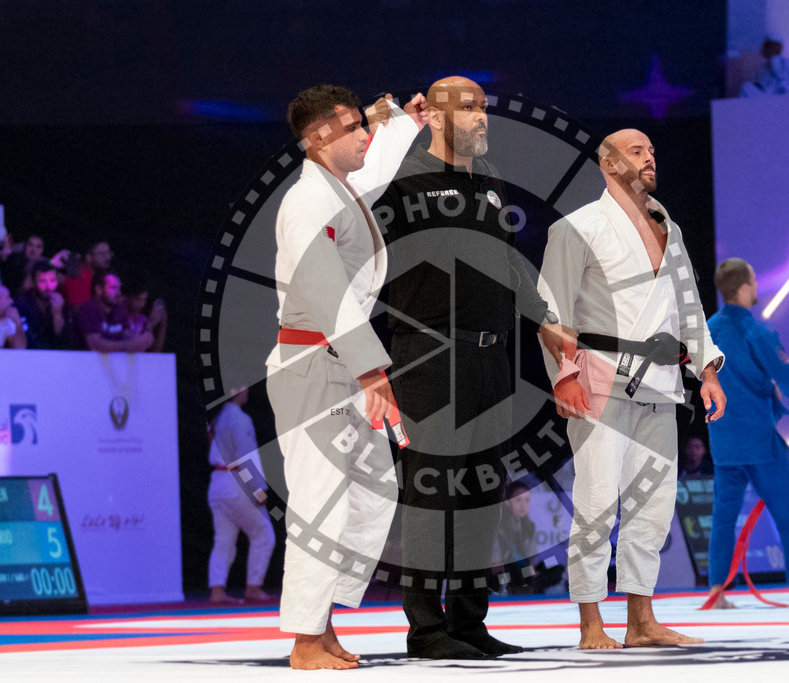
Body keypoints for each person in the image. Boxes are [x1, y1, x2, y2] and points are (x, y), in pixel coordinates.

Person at [373, 76, 568, 660]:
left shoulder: (489, 180)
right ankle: (427, 629)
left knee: (483, 493)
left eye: (484, 107)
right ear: (434, 116)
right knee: (433, 494)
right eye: (468, 107)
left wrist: (543, 318)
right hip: (428, 354)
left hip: (491, 355)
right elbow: (357, 256)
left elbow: (509, 260)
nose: (482, 116)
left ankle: (469, 622)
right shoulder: (400, 180)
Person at [538, 128, 726, 648]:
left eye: (652, 151)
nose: (649, 158)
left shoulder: (668, 227)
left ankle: (641, 620)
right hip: (599, 377)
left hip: (660, 382)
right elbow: (550, 309)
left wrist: (707, 371)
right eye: (636, 152)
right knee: (597, 501)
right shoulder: (577, 227)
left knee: (653, 505)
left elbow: (688, 306)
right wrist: (564, 375)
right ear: (608, 164)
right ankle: (590, 623)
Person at [265, 84, 428, 670]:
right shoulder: (306, 201)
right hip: (314, 366)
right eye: (355, 126)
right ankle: (305, 640)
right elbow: (325, 290)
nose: (365, 134)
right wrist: (372, 371)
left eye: (364, 124)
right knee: (321, 502)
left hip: (340, 364)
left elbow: (372, 171)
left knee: (372, 493)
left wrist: (402, 124)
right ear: (318, 137)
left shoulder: (337, 189)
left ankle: (323, 620)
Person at [704, 257, 789, 608]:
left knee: (724, 516)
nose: (756, 286)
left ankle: (717, 590)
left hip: (722, 437)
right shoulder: (756, 332)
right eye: (753, 280)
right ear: (744, 288)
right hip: (757, 439)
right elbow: (788, 377)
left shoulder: (707, 330)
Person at [207, 386, 276, 604]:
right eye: (243, 386)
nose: (247, 390)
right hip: (236, 481)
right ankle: (253, 587)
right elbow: (246, 456)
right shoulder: (240, 419)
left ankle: (217, 590)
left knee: (223, 540)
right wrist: (257, 488)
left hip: (217, 481)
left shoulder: (217, 418)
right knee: (264, 533)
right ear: (234, 391)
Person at [74, 270, 153, 352]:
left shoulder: (119, 309)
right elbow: (95, 345)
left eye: (119, 288)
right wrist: (129, 345)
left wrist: (144, 338)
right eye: (114, 288)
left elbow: (127, 336)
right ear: (99, 289)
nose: (119, 293)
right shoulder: (89, 309)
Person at [16, 259, 71, 349]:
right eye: (42, 281)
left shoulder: (61, 303)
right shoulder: (22, 304)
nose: (48, 287)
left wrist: (57, 314)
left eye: (52, 280)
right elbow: (29, 340)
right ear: (33, 282)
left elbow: (64, 341)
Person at [741, 32, 789, 97]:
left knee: (746, 87)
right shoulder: (766, 63)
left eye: (766, 46)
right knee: (746, 86)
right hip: (766, 94)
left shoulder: (784, 62)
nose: (763, 48)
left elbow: (785, 82)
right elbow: (763, 84)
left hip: (776, 96)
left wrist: (774, 60)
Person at [122, 277, 167, 352]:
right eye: (137, 299)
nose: (141, 304)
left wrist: (163, 323)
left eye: (144, 299)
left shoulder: (142, 319)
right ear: (126, 297)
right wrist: (150, 324)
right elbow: (133, 347)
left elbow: (155, 352)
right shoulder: (120, 317)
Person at [63, 240, 112, 306]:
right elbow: (77, 306)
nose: (108, 257)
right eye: (101, 254)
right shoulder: (76, 275)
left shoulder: (103, 275)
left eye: (108, 252)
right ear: (88, 257)